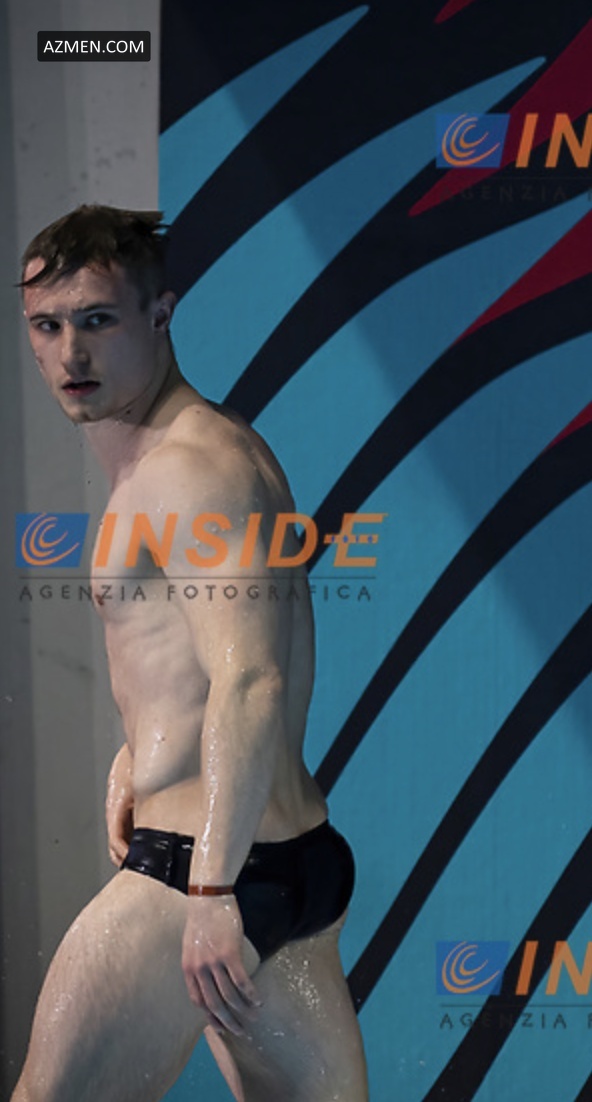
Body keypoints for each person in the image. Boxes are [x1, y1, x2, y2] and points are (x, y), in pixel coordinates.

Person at [13, 205, 368, 1102]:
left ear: (160, 315)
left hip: (201, 873)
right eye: (46, 326)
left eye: (97, 320)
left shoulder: (188, 471)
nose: (70, 354)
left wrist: (209, 892)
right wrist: (139, 754)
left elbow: (252, 678)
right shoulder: (200, 451)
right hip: (292, 865)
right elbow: (202, 657)